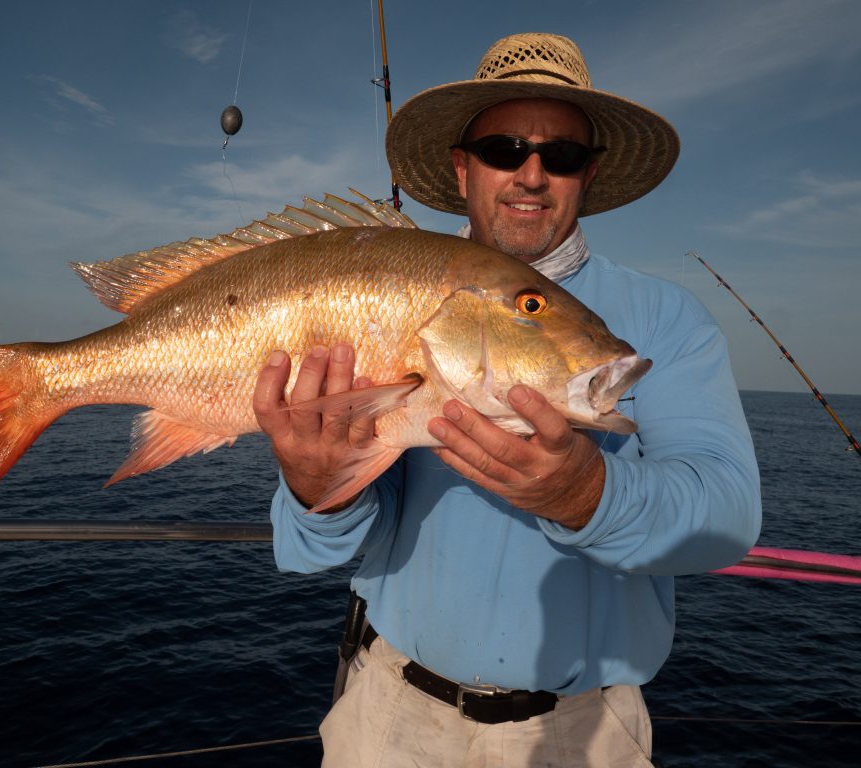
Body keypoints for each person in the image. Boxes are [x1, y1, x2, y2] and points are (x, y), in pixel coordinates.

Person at [253, 32, 761, 767]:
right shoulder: (384, 294)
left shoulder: (665, 320)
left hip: (581, 735)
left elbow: (725, 518)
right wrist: (315, 488)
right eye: (503, 148)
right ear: (463, 168)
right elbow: (308, 553)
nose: (531, 174)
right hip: (388, 715)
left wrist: (589, 492)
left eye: (561, 156)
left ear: (588, 174)